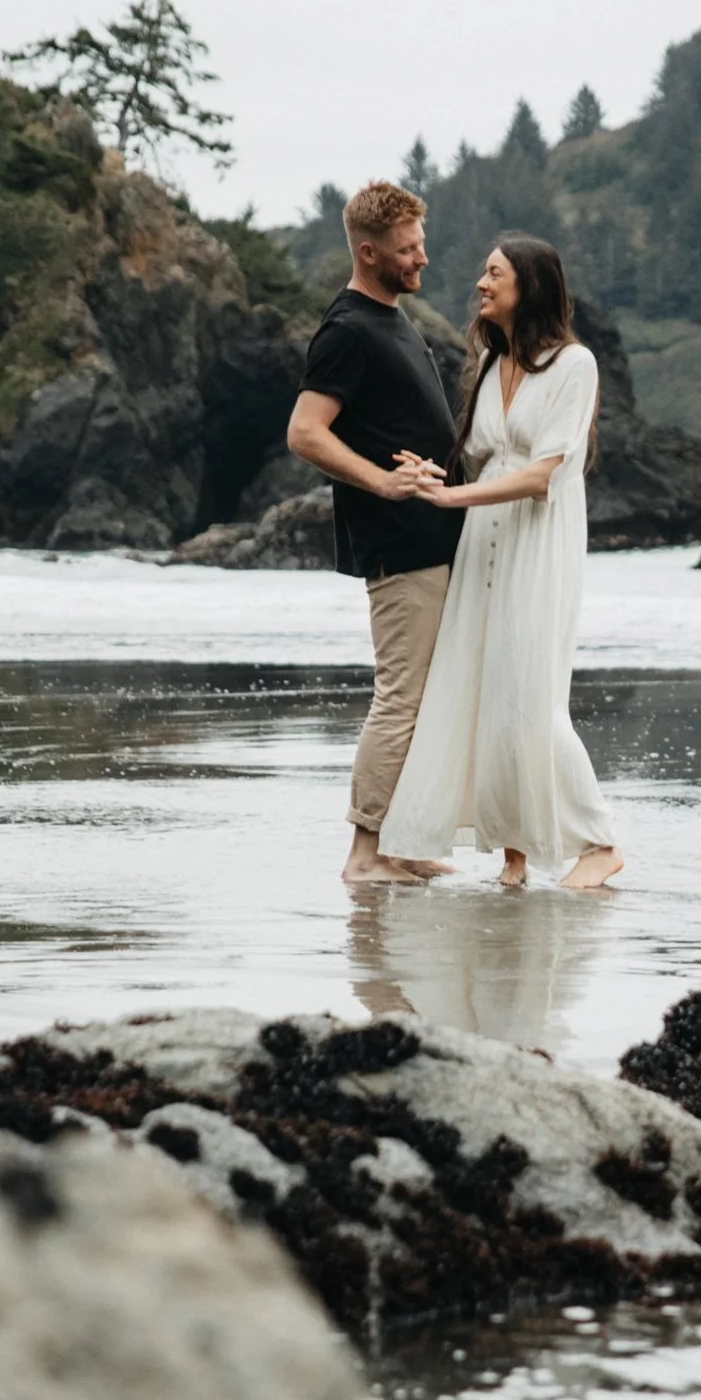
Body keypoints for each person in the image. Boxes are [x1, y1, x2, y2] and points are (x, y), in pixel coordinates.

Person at [378, 233, 623, 890]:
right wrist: (434, 476)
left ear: (530, 286)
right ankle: (512, 853)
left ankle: (599, 840)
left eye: (494, 274)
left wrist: (453, 496)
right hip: (485, 535)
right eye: (484, 274)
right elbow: (483, 458)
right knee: (486, 688)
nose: (480, 285)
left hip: (540, 537)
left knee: (529, 694)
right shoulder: (489, 362)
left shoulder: (576, 365)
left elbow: (543, 474)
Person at [286, 180, 456, 885]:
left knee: (426, 697)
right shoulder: (348, 330)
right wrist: (384, 482)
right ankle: (364, 854)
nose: (422, 258)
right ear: (369, 252)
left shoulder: (392, 317)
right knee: (402, 696)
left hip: (434, 538)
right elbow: (304, 432)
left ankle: (403, 841)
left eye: (420, 243)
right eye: (408, 249)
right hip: (399, 543)